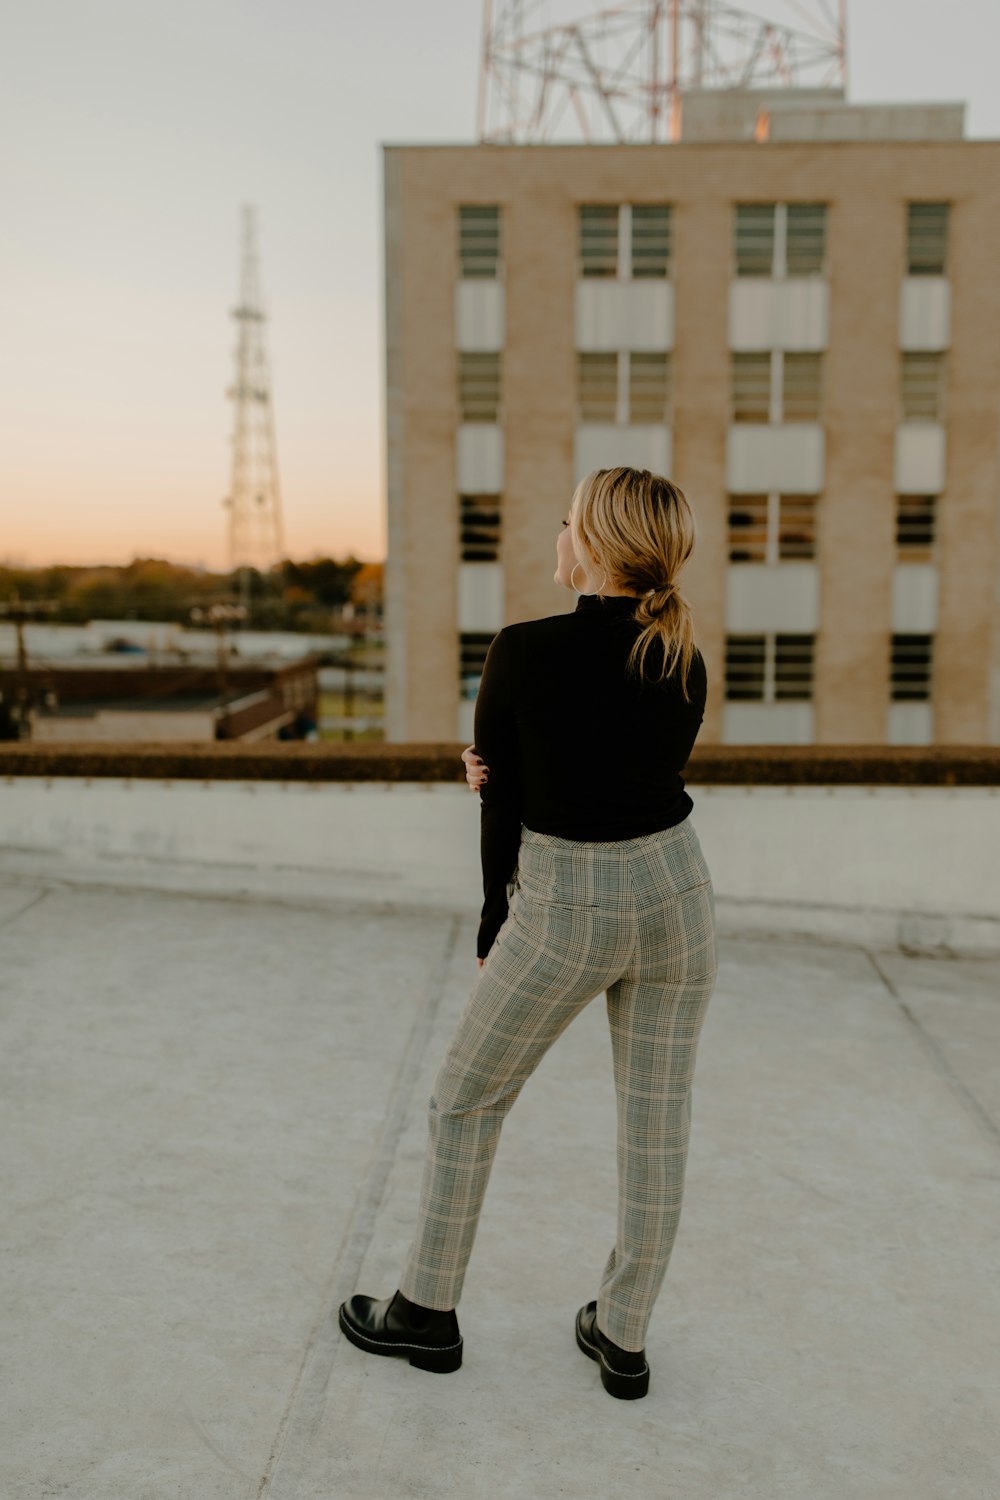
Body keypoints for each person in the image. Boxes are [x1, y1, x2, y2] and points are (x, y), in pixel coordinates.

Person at [339, 466, 719, 1400]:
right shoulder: (683, 655)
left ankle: (426, 1312)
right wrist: (507, 773)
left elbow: (512, 805)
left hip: (567, 904)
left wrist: (491, 920)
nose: (557, 534)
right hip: (678, 892)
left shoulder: (522, 649)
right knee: (655, 1126)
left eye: (565, 521)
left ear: (590, 544)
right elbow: (629, 769)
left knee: (466, 1100)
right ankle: (622, 1336)